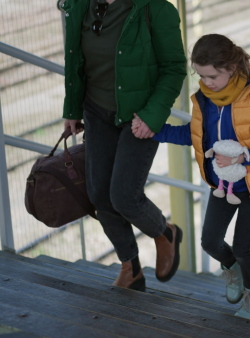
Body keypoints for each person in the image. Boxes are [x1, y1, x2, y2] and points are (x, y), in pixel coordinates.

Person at [141, 33, 250, 320]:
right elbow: (194, 136)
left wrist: (244, 156)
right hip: (222, 185)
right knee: (210, 242)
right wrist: (155, 130)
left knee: (243, 246)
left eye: (213, 76)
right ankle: (233, 272)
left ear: (231, 68)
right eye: (201, 76)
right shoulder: (203, 101)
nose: (207, 83)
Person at [61, 0, 188, 292]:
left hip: (139, 114)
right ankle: (130, 267)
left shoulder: (155, 9)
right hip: (96, 111)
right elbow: (75, 60)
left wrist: (152, 115)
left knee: (124, 196)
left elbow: (174, 68)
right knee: (99, 193)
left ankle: (164, 232)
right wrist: (72, 109)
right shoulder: (79, 6)